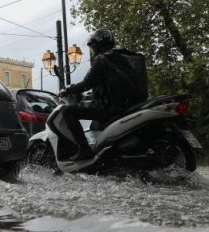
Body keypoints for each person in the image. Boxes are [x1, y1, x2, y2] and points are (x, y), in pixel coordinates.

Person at [58, 29, 148, 161]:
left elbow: (86, 84)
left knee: (68, 111)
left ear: (97, 45)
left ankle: (84, 149)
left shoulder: (101, 60)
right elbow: (110, 84)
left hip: (108, 106)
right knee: (94, 123)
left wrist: (67, 91)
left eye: (92, 46)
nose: (91, 50)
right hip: (126, 104)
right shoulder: (120, 58)